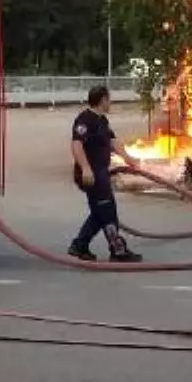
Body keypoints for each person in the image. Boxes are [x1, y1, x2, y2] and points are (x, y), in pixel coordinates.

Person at [68, 85, 144, 263]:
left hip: (100, 173)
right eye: (109, 99)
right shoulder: (84, 120)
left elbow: (112, 141)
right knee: (107, 211)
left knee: (99, 212)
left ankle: (80, 245)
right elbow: (76, 145)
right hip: (91, 175)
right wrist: (85, 168)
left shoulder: (102, 120)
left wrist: (129, 159)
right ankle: (118, 250)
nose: (111, 102)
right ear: (102, 99)